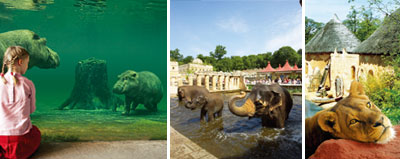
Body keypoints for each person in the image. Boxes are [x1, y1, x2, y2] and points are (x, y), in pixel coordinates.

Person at [0, 46, 40, 159]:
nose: (27, 66)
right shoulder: (28, 84)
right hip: (20, 143)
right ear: (20, 62)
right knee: (36, 132)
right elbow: (32, 110)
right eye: (27, 63)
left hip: (1, 140)